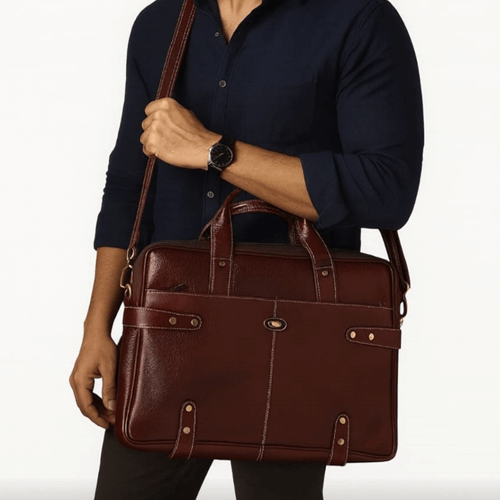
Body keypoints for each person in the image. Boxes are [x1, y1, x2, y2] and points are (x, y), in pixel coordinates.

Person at [68, 0, 424, 498]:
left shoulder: (358, 19)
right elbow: (131, 185)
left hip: (296, 334)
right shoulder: (160, 23)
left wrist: (215, 151)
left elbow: (385, 190)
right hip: (168, 325)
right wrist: (96, 328)